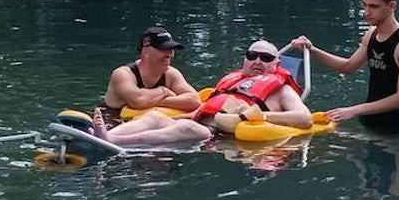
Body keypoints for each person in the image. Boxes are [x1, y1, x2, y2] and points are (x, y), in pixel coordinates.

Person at [91, 40, 312, 145]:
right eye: (252, 55)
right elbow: (205, 106)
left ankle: (112, 140)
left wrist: (260, 115)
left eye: (265, 58)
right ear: (244, 59)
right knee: (157, 117)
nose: (257, 61)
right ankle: (100, 135)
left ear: (277, 63)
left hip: (218, 135)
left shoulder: (281, 90)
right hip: (201, 122)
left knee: (185, 127)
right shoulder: (232, 81)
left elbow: (304, 119)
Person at [291, 0, 399, 132]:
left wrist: (353, 110)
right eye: (364, 5)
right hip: (368, 119)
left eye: (374, 6)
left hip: (394, 126)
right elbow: (348, 67)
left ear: (391, 6)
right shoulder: (371, 34)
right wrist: (311, 50)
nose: (366, 12)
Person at [97, 26, 202, 130]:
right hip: (113, 123)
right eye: (163, 49)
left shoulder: (171, 74)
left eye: (171, 49)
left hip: (150, 125)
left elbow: (194, 100)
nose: (169, 54)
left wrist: (159, 101)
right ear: (146, 52)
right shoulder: (123, 74)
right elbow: (138, 101)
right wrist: (164, 91)